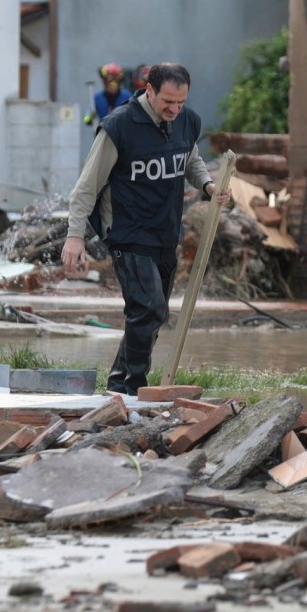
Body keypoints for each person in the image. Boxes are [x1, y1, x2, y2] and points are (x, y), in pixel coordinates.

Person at [61, 62, 229, 395]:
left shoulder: (186, 122)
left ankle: (118, 384)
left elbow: (190, 160)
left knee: (154, 315)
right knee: (147, 308)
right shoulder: (118, 127)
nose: (174, 109)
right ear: (148, 90)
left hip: (165, 231)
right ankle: (134, 389)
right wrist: (74, 236)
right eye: (168, 101)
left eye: (181, 102)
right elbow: (86, 186)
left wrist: (209, 185)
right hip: (127, 231)